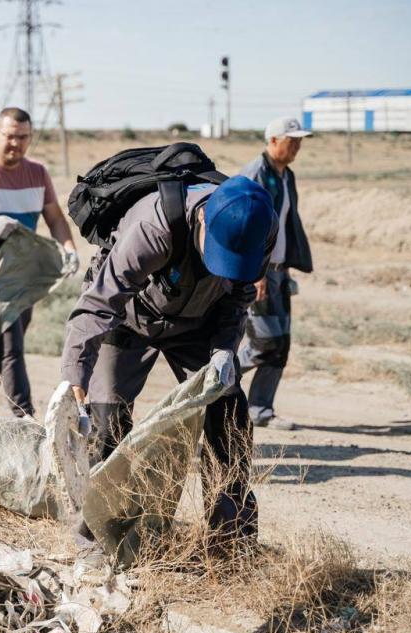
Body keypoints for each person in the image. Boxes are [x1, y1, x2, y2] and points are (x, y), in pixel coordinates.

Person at [61, 176, 276, 546]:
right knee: (106, 420)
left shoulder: (262, 229)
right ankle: (101, 539)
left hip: (198, 323)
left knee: (228, 416)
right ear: (205, 219)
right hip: (128, 318)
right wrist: (75, 375)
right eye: (219, 255)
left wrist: (225, 349)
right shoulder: (153, 226)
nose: (223, 267)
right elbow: (100, 303)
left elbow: (238, 297)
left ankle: (231, 542)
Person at [0, 107, 79, 418]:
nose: (15, 143)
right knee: (11, 346)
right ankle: (24, 418)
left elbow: (54, 217)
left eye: (22, 137)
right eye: (9, 136)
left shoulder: (37, 173)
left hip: (25, 275)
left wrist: (68, 248)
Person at [237, 117, 313, 431]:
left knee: (280, 345)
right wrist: (255, 272)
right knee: (264, 343)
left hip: (279, 273)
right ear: (273, 141)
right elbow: (244, 226)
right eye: (290, 140)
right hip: (260, 273)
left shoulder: (285, 176)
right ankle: (211, 378)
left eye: (299, 141)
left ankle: (261, 411)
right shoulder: (255, 173)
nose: (296, 146)